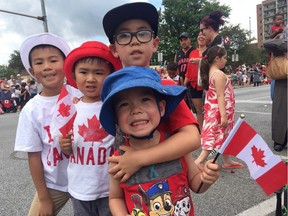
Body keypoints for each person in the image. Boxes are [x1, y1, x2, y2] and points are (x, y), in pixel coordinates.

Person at [99, 66, 220, 215]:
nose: (136, 110)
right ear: (116, 117)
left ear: (161, 107)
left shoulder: (177, 147)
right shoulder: (118, 160)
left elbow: (196, 184)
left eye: (145, 100)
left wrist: (206, 178)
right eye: (124, 104)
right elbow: (115, 198)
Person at [103, 2, 200, 182]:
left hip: (169, 184)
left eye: (142, 33)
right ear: (114, 49)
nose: (134, 40)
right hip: (126, 186)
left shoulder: (165, 86)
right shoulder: (112, 89)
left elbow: (192, 138)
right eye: (124, 35)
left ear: (155, 44)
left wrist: (139, 159)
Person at [59, 41, 122, 215]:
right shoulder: (70, 109)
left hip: (110, 189)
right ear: (74, 75)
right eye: (83, 72)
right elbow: (68, 148)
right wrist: (64, 146)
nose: (90, 79)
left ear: (110, 76)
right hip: (79, 188)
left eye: (99, 73)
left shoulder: (113, 106)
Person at [14, 33, 72, 216]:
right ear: (32, 72)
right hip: (55, 182)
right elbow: (34, 156)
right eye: (39, 63)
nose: (47, 67)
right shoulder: (31, 110)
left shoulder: (81, 95)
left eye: (53, 60)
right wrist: (44, 198)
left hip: (89, 177)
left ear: (66, 63)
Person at [195, 46, 244, 170]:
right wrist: (223, 115)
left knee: (224, 135)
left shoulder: (210, 73)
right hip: (219, 111)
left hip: (213, 110)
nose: (226, 60)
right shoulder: (219, 74)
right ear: (217, 59)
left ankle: (227, 160)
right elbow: (220, 95)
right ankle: (199, 161)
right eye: (224, 58)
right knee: (213, 135)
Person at [184, 32, 208, 130]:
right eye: (199, 35)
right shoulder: (192, 52)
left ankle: (209, 130)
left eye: (203, 35)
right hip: (194, 84)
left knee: (208, 109)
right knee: (199, 111)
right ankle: (202, 132)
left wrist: (200, 61)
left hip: (206, 84)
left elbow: (212, 64)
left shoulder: (209, 51)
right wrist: (184, 84)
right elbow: (188, 71)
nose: (201, 37)